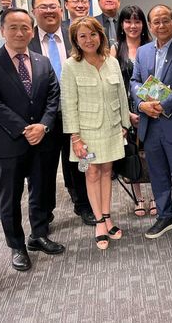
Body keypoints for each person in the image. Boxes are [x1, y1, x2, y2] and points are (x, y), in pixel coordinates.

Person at [0, 8, 65, 271]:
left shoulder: (42, 62)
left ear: (32, 31)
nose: (19, 33)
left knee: (41, 190)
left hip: (41, 140)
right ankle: (16, 246)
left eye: (25, 27)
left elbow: (53, 97)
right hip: (10, 141)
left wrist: (44, 125)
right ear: (2, 30)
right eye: (13, 27)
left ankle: (38, 234)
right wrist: (26, 129)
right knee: (11, 197)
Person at [0, 0, 96, 226]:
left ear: (61, 10)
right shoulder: (26, 38)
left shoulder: (75, 34)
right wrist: (4, 10)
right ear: (34, 11)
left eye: (53, 6)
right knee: (44, 169)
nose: (49, 11)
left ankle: (84, 205)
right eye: (43, 7)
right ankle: (45, 213)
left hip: (76, 113)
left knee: (80, 162)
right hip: (43, 117)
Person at [131, 4, 172, 243]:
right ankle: (164, 215)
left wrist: (163, 105)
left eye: (165, 21)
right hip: (150, 124)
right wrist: (142, 104)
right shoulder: (143, 52)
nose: (161, 26)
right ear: (150, 26)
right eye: (156, 22)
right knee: (158, 173)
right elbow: (134, 81)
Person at [61, 17, 130, 250]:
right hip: (86, 131)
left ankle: (108, 216)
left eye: (93, 34)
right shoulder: (71, 65)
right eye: (82, 36)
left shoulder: (111, 61)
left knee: (107, 172)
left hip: (112, 127)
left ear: (100, 36)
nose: (89, 40)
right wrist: (75, 137)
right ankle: (99, 222)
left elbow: (121, 95)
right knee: (92, 173)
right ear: (75, 40)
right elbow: (68, 103)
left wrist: (124, 124)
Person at [114, 5, 156, 217]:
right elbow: (114, 86)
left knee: (154, 154)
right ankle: (138, 197)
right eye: (128, 21)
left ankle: (156, 196)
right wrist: (126, 115)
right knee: (133, 154)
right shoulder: (115, 49)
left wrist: (151, 107)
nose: (133, 26)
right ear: (122, 25)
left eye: (137, 21)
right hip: (127, 110)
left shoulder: (152, 46)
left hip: (151, 107)